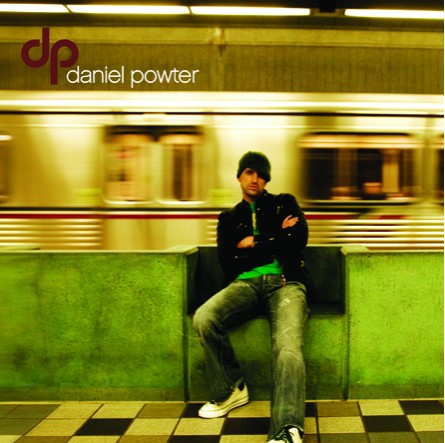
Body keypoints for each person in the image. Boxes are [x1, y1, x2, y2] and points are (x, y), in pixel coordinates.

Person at [193, 151, 309, 443]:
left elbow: (298, 239)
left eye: (260, 174)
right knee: (205, 318)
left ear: (267, 179)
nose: (255, 179)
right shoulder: (228, 218)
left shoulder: (284, 203)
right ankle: (230, 388)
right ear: (239, 177)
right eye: (249, 172)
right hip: (244, 284)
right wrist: (277, 240)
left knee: (287, 346)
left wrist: (253, 243)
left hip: (285, 282)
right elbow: (228, 262)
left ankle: (287, 427)